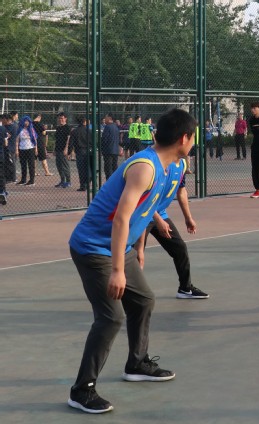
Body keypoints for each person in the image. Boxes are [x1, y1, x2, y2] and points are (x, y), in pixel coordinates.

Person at [67, 108, 196, 414]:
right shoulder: (145, 167)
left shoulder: (168, 166)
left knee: (143, 300)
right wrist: (117, 270)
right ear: (184, 138)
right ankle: (81, 390)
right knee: (111, 317)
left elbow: (144, 209)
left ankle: (137, 364)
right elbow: (121, 218)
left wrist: (139, 247)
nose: (194, 143)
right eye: (193, 137)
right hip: (93, 248)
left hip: (118, 247)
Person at [146, 158, 209, 299]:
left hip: (160, 214)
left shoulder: (182, 164)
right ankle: (125, 293)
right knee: (135, 256)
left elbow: (181, 191)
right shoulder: (161, 164)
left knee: (180, 248)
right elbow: (145, 196)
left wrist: (188, 217)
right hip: (142, 214)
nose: (190, 148)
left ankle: (185, 289)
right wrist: (159, 220)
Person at [15, 116, 38, 186]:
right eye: (25, 121)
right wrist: (17, 150)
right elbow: (17, 140)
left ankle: (32, 180)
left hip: (30, 148)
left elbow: (35, 139)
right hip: (22, 149)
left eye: (28, 121)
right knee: (23, 165)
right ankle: (23, 180)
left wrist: (36, 149)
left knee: (31, 165)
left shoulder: (31, 129)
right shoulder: (20, 129)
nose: (26, 122)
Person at [70, 116, 90, 192]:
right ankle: (88, 183)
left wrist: (69, 152)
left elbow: (71, 143)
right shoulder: (89, 130)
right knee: (88, 168)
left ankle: (83, 185)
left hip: (79, 151)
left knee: (81, 169)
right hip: (88, 150)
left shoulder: (75, 131)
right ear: (85, 122)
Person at [54, 112, 72, 188]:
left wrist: (66, 149)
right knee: (59, 166)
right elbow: (56, 139)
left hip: (63, 150)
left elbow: (68, 139)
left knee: (65, 166)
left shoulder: (68, 128)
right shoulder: (58, 128)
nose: (60, 120)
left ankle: (68, 181)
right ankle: (62, 181)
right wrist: (54, 149)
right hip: (58, 149)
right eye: (59, 118)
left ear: (65, 119)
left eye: (62, 118)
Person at [101, 113, 121, 180]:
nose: (105, 119)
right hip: (115, 150)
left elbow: (104, 139)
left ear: (109, 118)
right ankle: (115, 181)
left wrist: (102, 148)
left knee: (108, 169)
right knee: (114, 167)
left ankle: (109, 182)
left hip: (108, 151)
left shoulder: (107, 127)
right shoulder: (116, 127)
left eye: (106, 117)